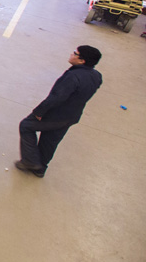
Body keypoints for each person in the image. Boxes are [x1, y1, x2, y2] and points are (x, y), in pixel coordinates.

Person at [16, 46, 102, 178]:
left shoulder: (73, 77)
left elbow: (56, 97)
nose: (71, 54)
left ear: (81, 60)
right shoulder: (96, 76)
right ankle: (40, 168)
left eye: (75, 53)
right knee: (50, 140)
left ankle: (30, 161)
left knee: (26, 126)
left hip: (55, 115)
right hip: (71, 116)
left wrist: (39, 112)